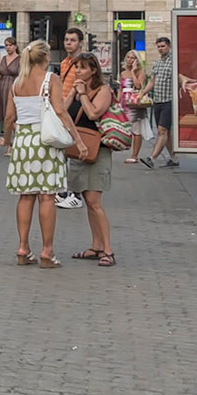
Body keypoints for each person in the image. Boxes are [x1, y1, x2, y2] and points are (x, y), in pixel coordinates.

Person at [5, 38, 73, 267]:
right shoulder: (51, 79)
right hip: (45, 140)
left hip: (23, 141)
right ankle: (47, 251)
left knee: (25, 196)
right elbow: (60, 111)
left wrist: (8, 142)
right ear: (46, 57)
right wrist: (76, 138)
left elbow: (9, 117)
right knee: (47, 196)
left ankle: (23, 248)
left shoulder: (17, 83)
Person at [64, 54, 116, 266]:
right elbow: (63, 111)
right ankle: (96, 246)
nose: (78, 71)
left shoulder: (104, 90)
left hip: (97, 150)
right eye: (76, 67)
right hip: (79, 150)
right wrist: (73, 93)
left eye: (83, 67)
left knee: (95, 201)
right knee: (87, 200)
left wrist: (84, 94)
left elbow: (94, 113)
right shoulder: (76, 89)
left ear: (93, 70)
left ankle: (108, 250)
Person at [54, 28, 88, 208]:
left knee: (75, 152)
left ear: (80, 43)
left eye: (73, 40)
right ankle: (63, 191)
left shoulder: (83, 63)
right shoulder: (64, 62)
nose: (68, 43)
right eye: (66, 39)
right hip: (64, 107)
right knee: (65, 151)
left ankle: (76, 194)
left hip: (77, 106)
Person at [142, 35, 179, 168]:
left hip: (169, 100)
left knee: (162, 130)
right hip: (158, 101)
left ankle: (152, 158)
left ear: (169, 46)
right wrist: (142, 93)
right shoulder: (157, 63)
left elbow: (180, 77)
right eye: (158, 47)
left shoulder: (174, 62)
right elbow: (152, 81)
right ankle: (174, 158)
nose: (161, 49)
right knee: (166, 132)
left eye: (163, 46)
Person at [118, 49, 150, 165]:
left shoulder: (140, 72)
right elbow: (120, 89)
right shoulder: (122, 73)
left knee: (136, 129)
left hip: (135, 102)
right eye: (128, 57)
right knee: (124, 127)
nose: (130, 60)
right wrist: (117, 102)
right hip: (124, 101)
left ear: (137, 60)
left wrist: (133, 72)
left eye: (133, 58)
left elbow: (138, 86)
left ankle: (134, 155)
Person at [0, 33, 21, 152]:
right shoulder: (3, 59)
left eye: (10, 45)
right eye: (6, 45)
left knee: (12, 117)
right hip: (2, 88)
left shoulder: (20, 59)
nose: (8, 47)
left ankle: (16, 143)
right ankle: (10, 145)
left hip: (14, 87)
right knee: (5, 117)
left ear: (15, 46)